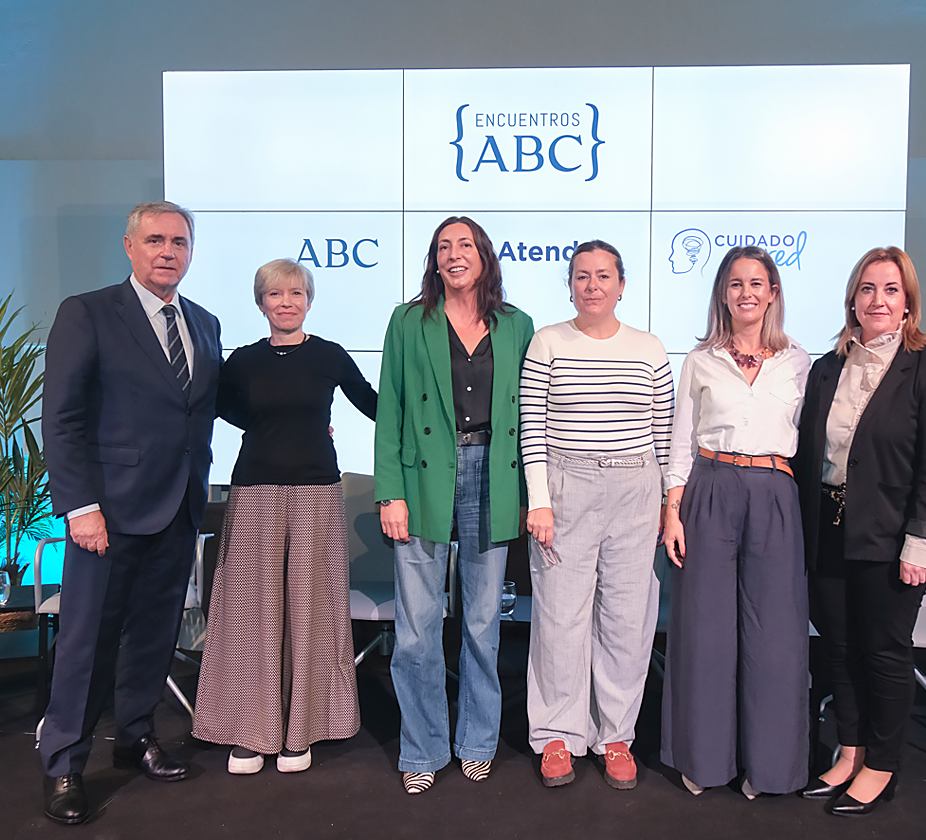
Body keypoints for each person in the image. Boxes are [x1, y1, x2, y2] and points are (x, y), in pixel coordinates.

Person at [39, 201, 221, 825]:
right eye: (155, 240)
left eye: (179, 241)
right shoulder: (87, 313)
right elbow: (61, 418)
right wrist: (79, 507)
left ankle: (135, 738)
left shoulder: (204, 322)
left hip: (177, 510)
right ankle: (64, 764)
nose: (168, 251)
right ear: (129, 246)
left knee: (152, 635)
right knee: (86, 643)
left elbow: (202, 409)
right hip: (106, 517)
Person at [792, 246, 926, 816]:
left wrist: (922, 542)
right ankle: (851, 749)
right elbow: (810, 454)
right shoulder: (827, 367)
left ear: (908, 303)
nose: (878, 300)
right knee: (838, 651)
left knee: (883, 652)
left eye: (890, 290)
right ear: (853, 301)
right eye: (868, 289)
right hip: (828, 530)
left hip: (891, 541)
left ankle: (882, 766)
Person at [193, 258, 377, 774]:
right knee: (251, 613)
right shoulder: (243, 361)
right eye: (275, 295)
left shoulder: (330, 356)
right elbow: (218, 406)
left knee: (311, 610)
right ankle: (250, 731)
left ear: (309, 300)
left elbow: (376, 406)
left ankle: (303, 730)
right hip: (255, 489)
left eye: (296, 293)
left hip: (317, 490)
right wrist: (270, 424)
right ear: (260, 304)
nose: (286, 302)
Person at [374, 216, 535, 794]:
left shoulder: (517, 324)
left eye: (464, 244)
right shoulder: (409, 320)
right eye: (444, 246)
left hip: (494, 473)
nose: (453, 254)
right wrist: (389, 492)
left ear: (484, 255)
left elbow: (530, 418)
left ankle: (477, 742)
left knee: (482, 621)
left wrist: (529, 495)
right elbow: (390, 407)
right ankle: (421, 747)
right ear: (434, 260)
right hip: (422, 481)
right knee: (417, 628)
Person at [520, 240, 674, 791]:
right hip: (566, 486)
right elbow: (532, 430)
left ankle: (615, 736)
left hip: (636, 487)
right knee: (560, 615)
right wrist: (538, 500)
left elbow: (664, 434)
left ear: (622, 285)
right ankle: (558, 736)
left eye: (603, 275)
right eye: (582, 276)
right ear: (570, 284)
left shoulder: (649, 348)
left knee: (627, 619)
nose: (592, 285)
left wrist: (666, 504)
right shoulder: (547, 343)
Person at [659, 245, 810, 798]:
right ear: (723, 294)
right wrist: (672, 510)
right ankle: (702, 761)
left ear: (773, 292)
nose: (747, 292)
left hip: (774, 492)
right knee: (705, 632)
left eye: (757, 283)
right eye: (736, 283)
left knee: (775, 638)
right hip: (711, 488)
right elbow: (680, 441)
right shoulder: (700, 361)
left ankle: (768, 768)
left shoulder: (801, 362)